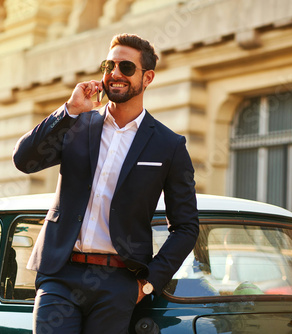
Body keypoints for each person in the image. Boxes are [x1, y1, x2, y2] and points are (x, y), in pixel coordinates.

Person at [13, 33, 199, 334]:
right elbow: (24, 160)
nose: (114, 74)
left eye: (126, 67)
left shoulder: (168, 145)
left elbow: (186, 226)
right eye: (108, 65)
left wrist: (148, 282)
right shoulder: (78, 124)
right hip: (60, 273)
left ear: (147, 77)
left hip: (118, 282)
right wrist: (70, 109)